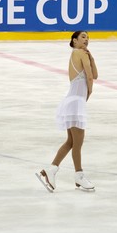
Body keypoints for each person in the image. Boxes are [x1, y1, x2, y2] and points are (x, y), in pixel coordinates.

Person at [36, 31, 98, 192]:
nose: (86, 40)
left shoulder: (80, 54)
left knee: (71, 142)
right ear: (74, 40)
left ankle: (51, 170)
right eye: (83, 37)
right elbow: (90, 78)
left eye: (88, 38)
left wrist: (91, 58)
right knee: (77, 143)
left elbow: (95, 74)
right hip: (76, 103)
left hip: (72, 102)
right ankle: (79, 176)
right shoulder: (78, 52)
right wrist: (89, 94)